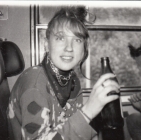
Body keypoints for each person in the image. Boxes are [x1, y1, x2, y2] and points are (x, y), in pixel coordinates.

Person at [7, 6, 120, 140]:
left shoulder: (72, 80)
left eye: (77, 40)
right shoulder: (34, 83)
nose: (69, 48)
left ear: (84, 49)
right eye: (60, 38)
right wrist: (89, 110)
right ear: (46, 44)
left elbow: (73, 130)